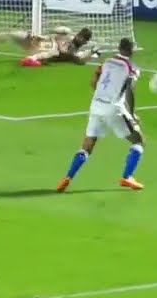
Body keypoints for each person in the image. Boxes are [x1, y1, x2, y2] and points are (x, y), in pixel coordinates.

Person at [56, 38, 145, 193]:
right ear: (131, 50)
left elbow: (92, 82)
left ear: (119, 48)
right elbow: (130, 90)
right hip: (114, 108)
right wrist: (131, 113)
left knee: (87, 146)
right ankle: (127, 176)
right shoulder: (131, 68)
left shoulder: (106, 62)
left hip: (96, 105)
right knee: (138, 140)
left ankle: (67, 177)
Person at [0, 26, 98, 67]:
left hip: (41, 53)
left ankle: (31, 59)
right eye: (80, 35)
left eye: (83, 39)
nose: (80, 38)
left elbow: (81, 61)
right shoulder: (67, 35)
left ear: (85, 42)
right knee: (12, 34)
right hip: (35, 42)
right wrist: (60, 30)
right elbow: (53, 30)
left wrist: (93, 52)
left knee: (54, 51)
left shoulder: (74, 52)